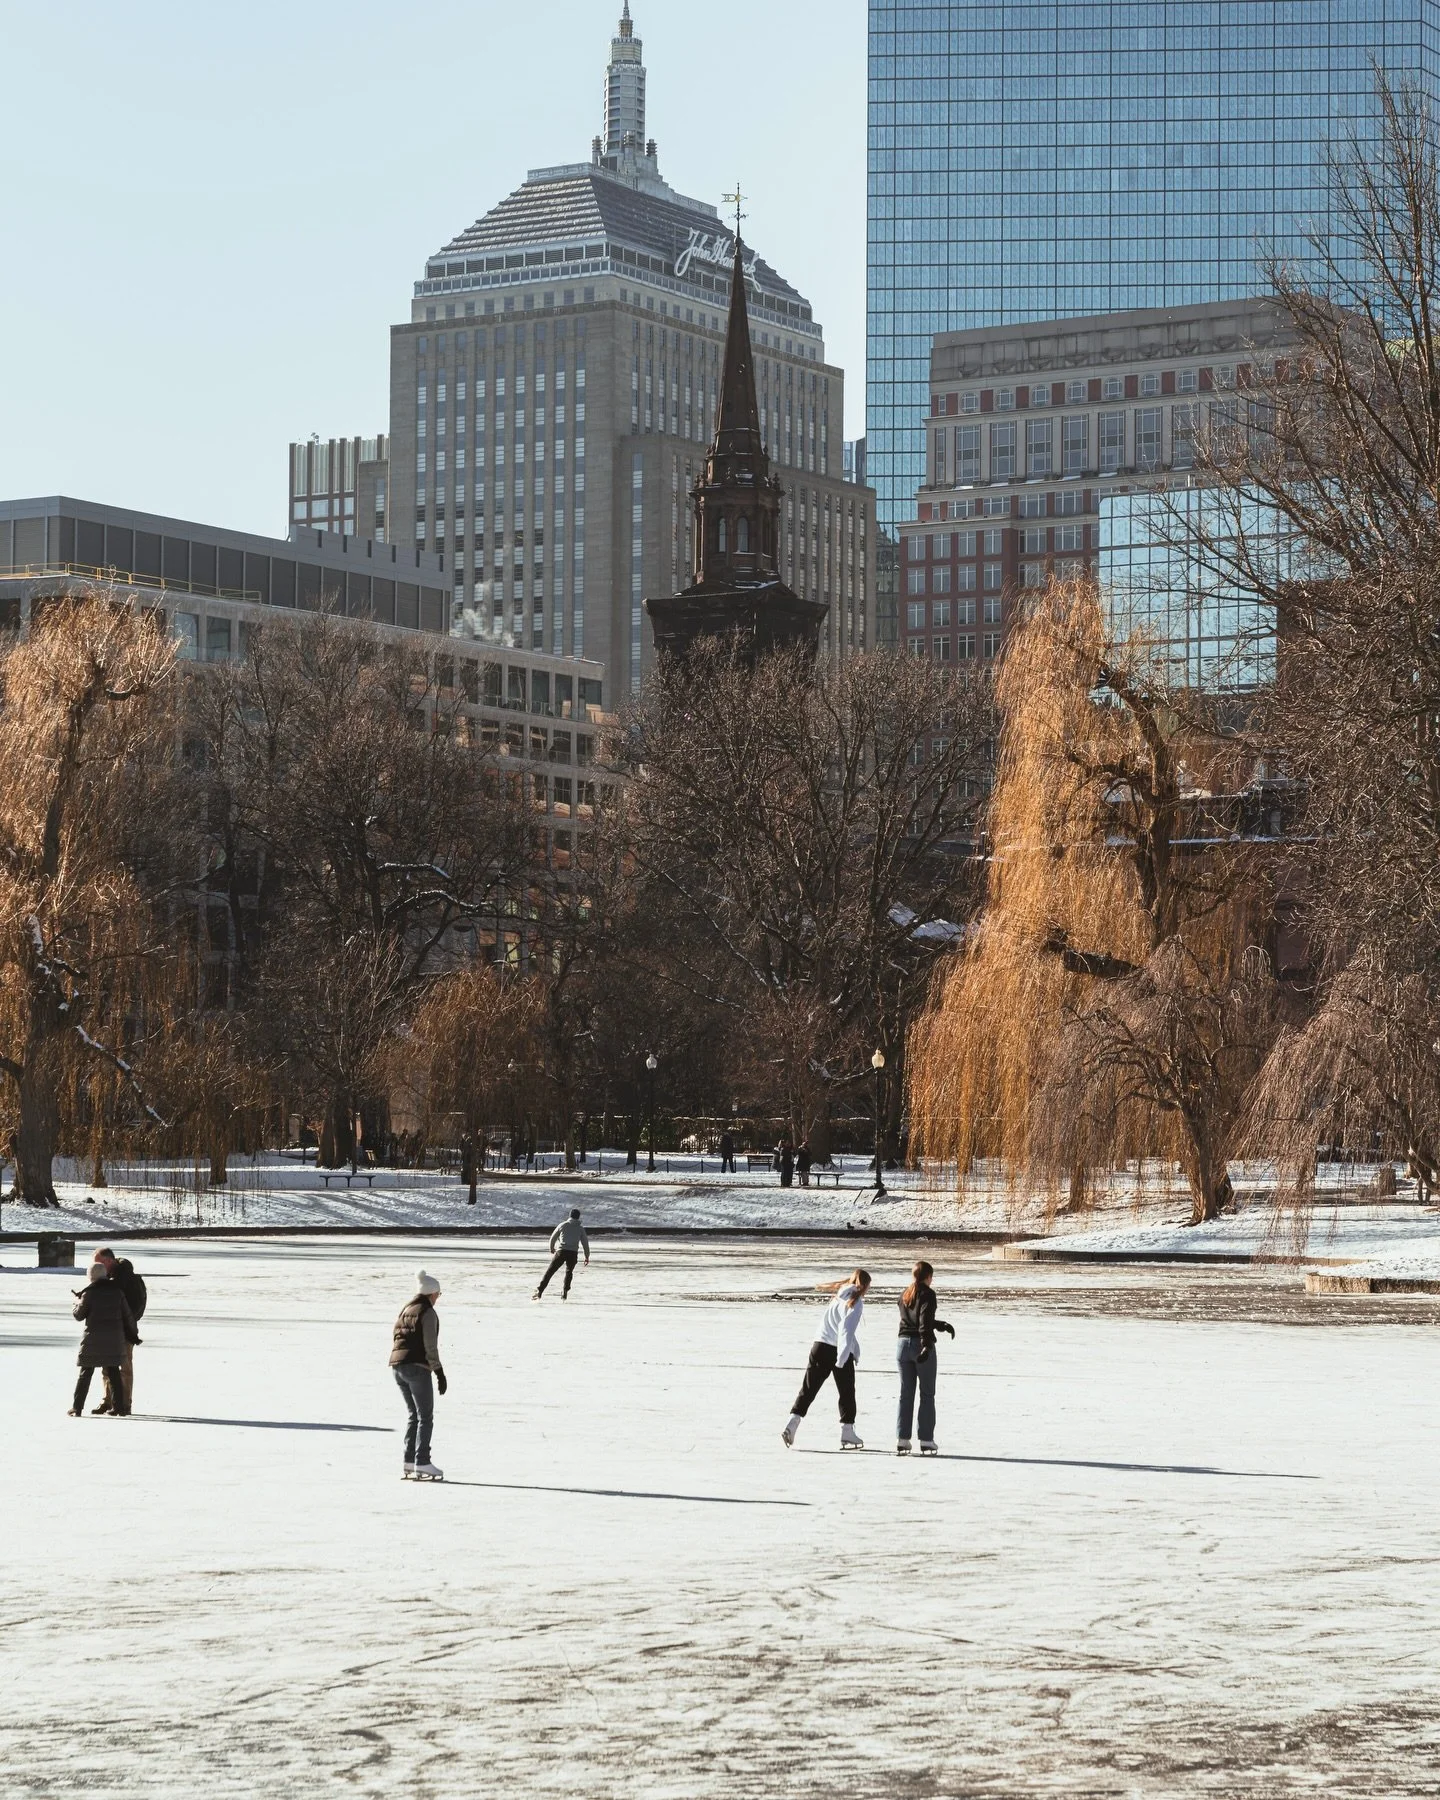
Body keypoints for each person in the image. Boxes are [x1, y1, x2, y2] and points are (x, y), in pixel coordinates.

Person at [782, 1269, 871, 1450]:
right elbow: (845, 1330)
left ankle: (792, 1424)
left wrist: (855, 1349)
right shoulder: (855, 1302)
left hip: (819, 1345)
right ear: (866, 1285)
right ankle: (847, 1431)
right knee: (847, 1392)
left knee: (808, 1389)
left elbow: (840, 1327)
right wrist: (843, 1358)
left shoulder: (838, 1296)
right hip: (836, 1349)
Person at [390, 1271, 446, 1480]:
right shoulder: (427, 1312)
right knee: (425, 1417)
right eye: (438, 1294)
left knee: (413, 1415)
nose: (438, 1298)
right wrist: (439, 1371)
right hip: (416, 1368)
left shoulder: (407, 1308)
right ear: (431, 1293)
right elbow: (430, 1345)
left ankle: (408, 1460)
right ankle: (422, 1461)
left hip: (398, 1367)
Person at [896, 1259, 955, 1456]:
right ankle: (926, 1440)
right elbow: (922, 1322)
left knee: (906, 1394)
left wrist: (940, 1325)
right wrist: (927, 1346)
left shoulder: (904, 1294)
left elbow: (917, 1319)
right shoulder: (928, 1294)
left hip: (902, 1345)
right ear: (928, 1277)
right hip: (920, 1345)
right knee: (927, 1394)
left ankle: (902, 1439)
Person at [69, 1260, 139, 1417]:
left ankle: (77, 1408)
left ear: (91, 1277)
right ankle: (119, 1408)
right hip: (114, 1341)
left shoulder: (89, 1293)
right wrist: (134, 1334)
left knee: (85, 1374)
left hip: (92, 1341)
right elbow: (127, 1315)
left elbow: (79, 1315)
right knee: (114, 1373)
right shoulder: (117, 1292)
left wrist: (76, 1303)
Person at [90, 1247, 147, 1415]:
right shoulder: (106, 1277)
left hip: (125, 1330)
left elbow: (136, 1307)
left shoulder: (129, 1279)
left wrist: (123, 1323)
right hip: (108, 1330)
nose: (96, 1267)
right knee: (107, 1368)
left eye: (99, 1263)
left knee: (124, 1368)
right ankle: (108, 1401)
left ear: (109, 1261)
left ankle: (124, 1404)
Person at [534, 1208, 590, 1300]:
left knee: (550, 1271)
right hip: (573, 1253)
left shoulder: (563, 1225)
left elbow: (553, 1237)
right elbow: (585, 1243)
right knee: (569, 1272)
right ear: (578, 1217)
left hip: (561, 1251)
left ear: (570, 1216)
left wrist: (551, 1248)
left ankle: (540, 1291)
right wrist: (587, 1256)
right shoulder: (580, 1229)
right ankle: (565, 1291)